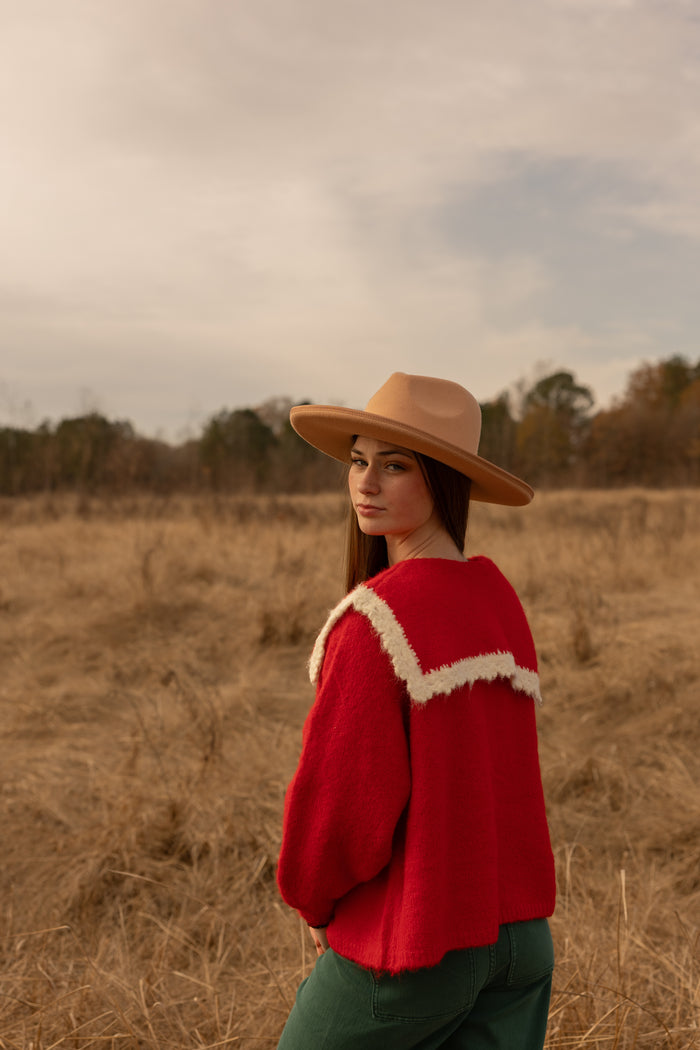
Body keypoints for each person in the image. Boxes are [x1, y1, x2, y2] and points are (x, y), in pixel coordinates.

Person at [276, 372, 556, 1050]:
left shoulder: (378, 619)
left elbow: (344, 802)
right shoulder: (497, 600)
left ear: (445, 480)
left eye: (395, 465)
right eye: (358, 460)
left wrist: (315, 902)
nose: (366, 484)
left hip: (418, 944)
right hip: (521, 944)